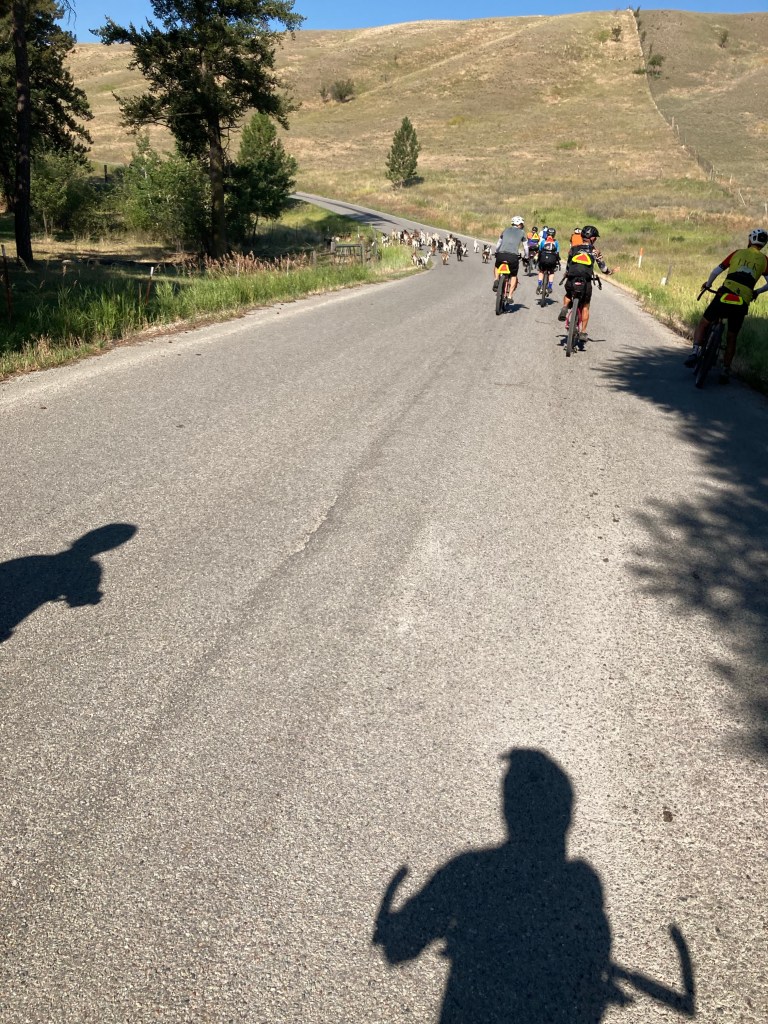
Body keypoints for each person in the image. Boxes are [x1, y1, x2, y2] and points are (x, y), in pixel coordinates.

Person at [685, 227, 768, 384]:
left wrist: (708, 284)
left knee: (704, 322)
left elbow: (716, 271)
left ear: (750, 240)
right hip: (742, 300)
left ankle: (695, 352)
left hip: (725, 294)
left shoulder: (737, 253)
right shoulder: (765, 261)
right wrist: (756, 292)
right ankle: (725, 370)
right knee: (732, 336)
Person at [557, 225, 613, 344]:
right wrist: (610, 272)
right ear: (592, 239)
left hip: (572, 278)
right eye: (595, 238)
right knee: (586, 306)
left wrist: (567, 273)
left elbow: (568, 265)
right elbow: (603, 268)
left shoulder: (573, 249)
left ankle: (565, 307)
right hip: (585, 281)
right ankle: (583, 332)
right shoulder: (595, 251)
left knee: (568, 294)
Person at [492, 216, 527, 298]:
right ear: (519, 224)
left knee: (497, 266)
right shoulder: (522, 233)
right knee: (513, 275)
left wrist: (496, 252)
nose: (522, 226)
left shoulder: (505, 230)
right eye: (522, 224)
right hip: (513, 257)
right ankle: (510, 296)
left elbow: (499, 243)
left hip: (501, 254)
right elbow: (526, 247)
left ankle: (496, 279)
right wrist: (526, 256)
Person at [536, 228, 560, 295]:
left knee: (541, 271)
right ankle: (549, 287)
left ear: (547, 234)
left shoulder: (543, 241)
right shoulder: (556, 242)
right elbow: (557, 253)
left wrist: (538, 260)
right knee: (551, 272)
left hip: (543, 260)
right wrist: (557, 262)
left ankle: (539, 284)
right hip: (552, 261)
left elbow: (540, 251)